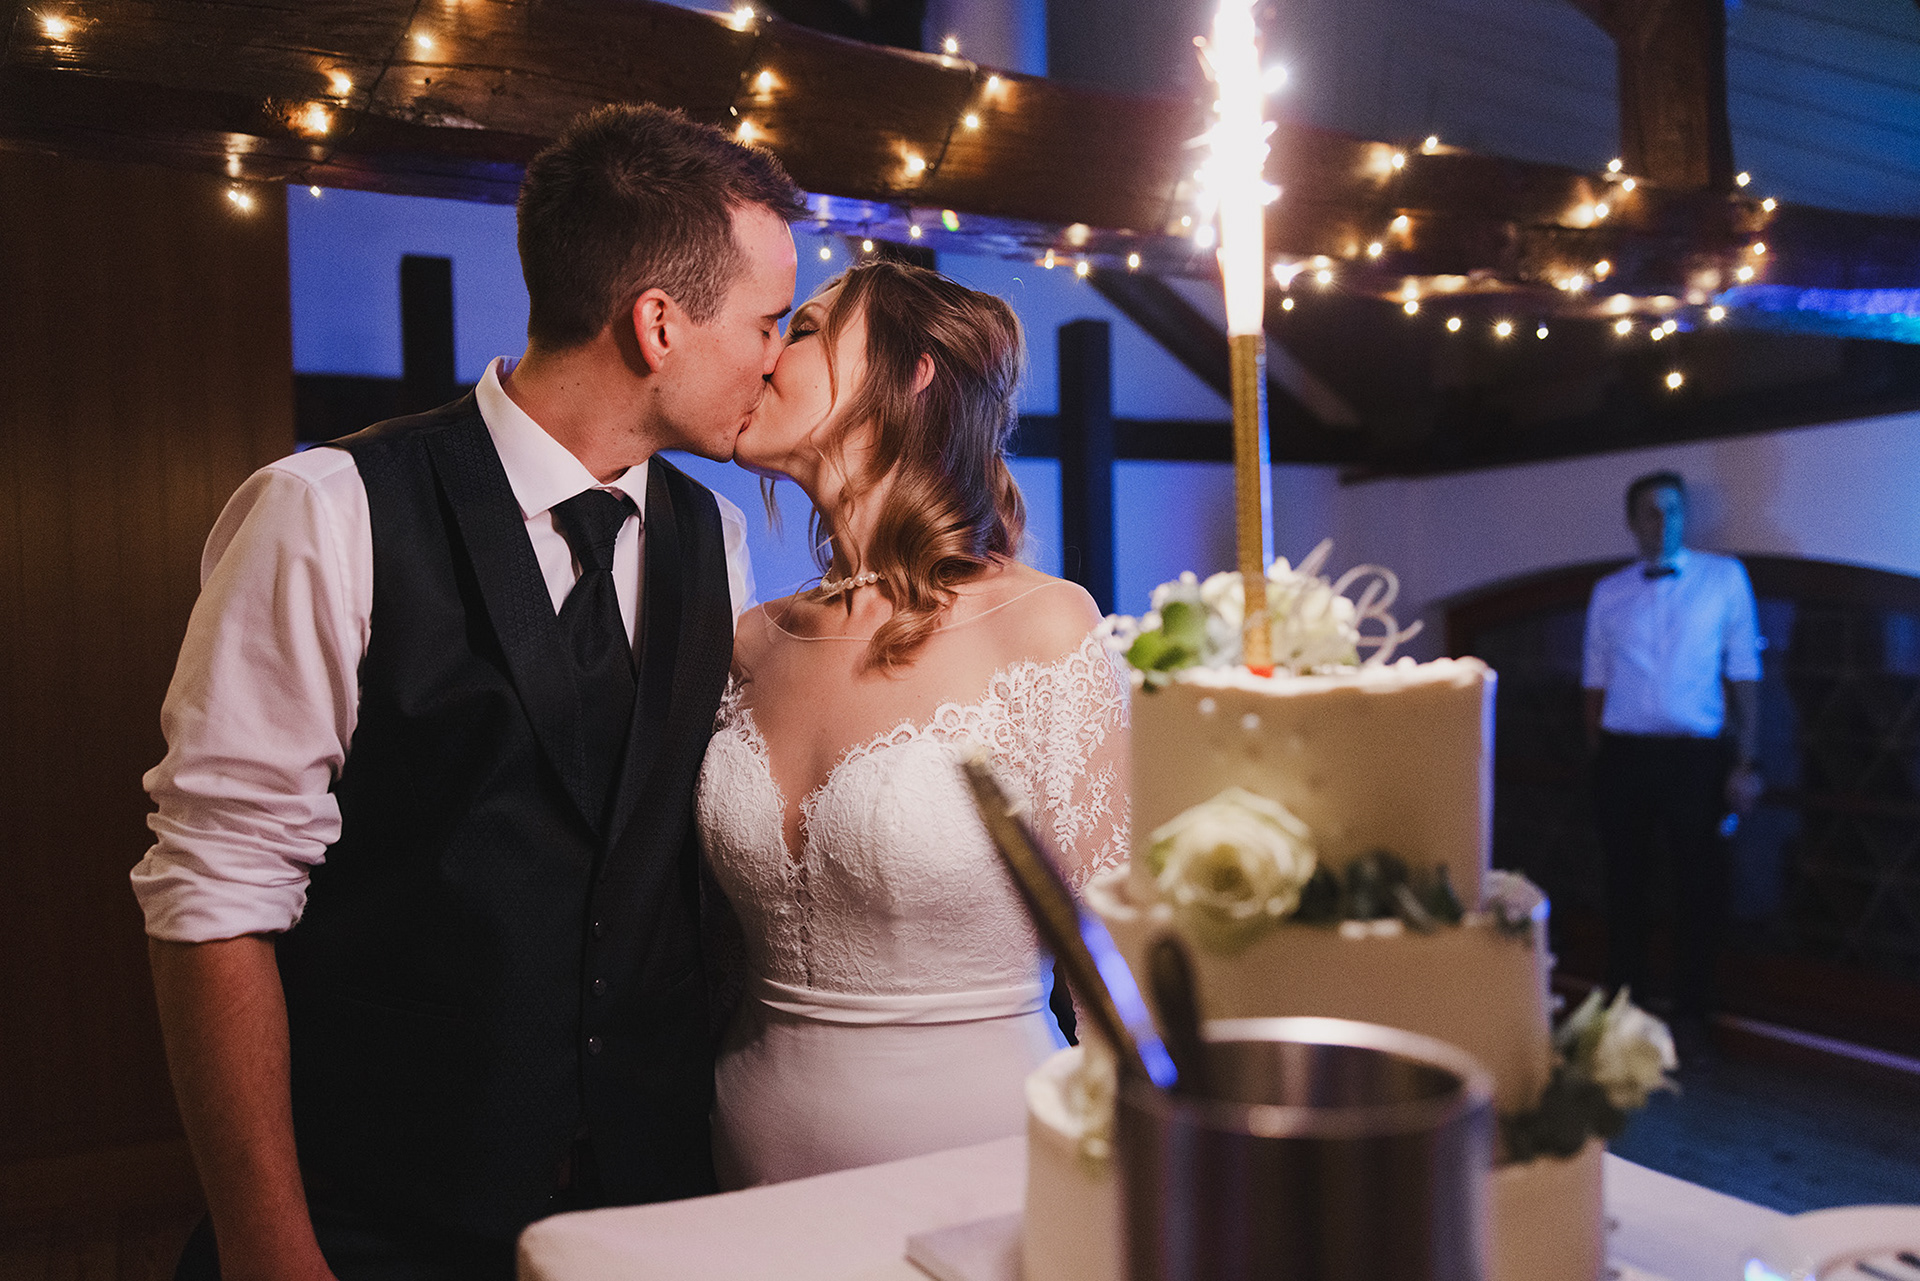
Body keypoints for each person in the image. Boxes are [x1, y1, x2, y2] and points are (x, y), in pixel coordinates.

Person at [131, 103, 807, 1280]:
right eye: (767, 322)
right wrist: (267, 1243)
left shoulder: (715, 539)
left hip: (648, 1203)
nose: (777, 358)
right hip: (378, 1216)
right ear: (658, 323)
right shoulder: (327, 511)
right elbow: (215, 895)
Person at [694, 260, 1130, 1187]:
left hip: (984, 1163)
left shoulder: (1046, 627)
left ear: (914, 373)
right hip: (740, 1161)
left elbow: (1117, 966)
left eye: (804, 329)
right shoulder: (747, 641)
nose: (767, 354)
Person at [1583, 470, 1763, 1025]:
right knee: (1623, 886)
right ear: (1632, 522)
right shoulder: (1608, 592)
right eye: (1651, 513)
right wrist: (1598, 758)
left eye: (1674, 511)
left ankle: (1692, 1019)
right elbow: (1594, 682)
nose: (1663, 524)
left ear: (1685, 517)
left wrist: (1746, 763)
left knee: (1699, 891)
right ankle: (1622, 1015)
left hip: (1695, 759)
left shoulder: (1724, 578)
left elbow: (1744, 672)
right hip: (1625, 756)